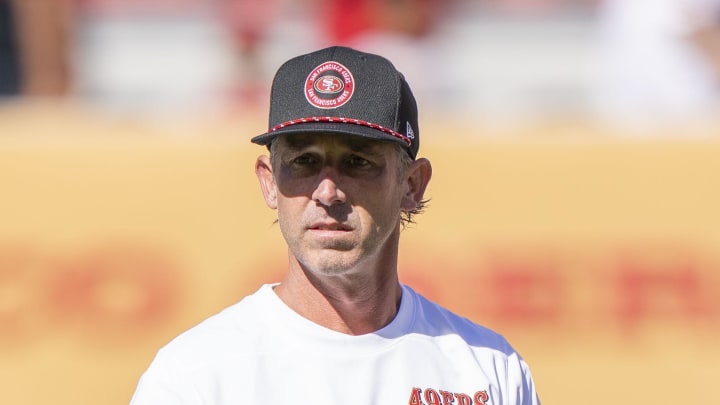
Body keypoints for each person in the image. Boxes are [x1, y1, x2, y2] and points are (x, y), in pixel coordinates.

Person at [129, 46, 541, 405]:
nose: (327, 192)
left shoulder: (488, 369)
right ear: (269, 182)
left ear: (411, 185)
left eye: (358, 162)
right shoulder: (196, 376)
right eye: (303, 162)